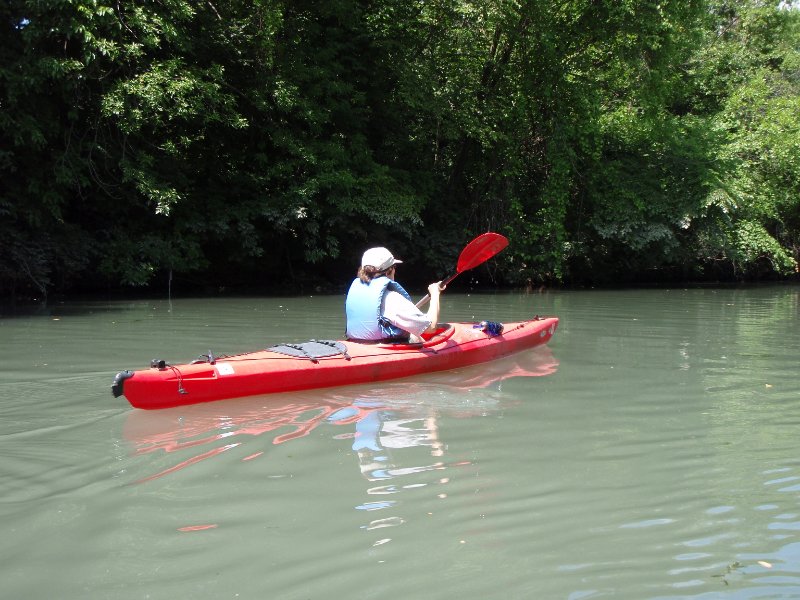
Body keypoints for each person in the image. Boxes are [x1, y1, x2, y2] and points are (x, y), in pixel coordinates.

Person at [345, 247, 444, 342]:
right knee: (417, 337)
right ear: (389, 271)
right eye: (394, 267)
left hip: (357, 343)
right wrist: (435, 293)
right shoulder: (392, 299)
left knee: (413, 334)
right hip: (382, 349)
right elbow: (431, 328)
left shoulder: (358, 291)